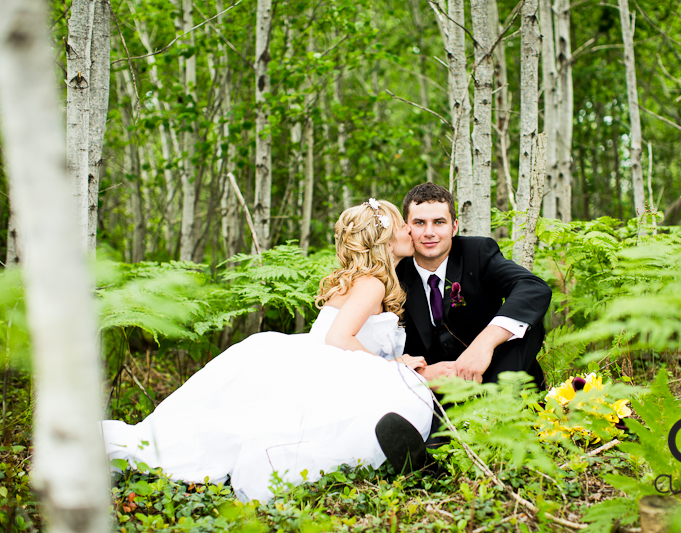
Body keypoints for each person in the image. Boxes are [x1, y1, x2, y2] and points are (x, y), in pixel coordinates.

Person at [102, 200, 435, 502]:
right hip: (328, 366)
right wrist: (389, 366)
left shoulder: (361, 280)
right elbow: (338, 339)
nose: (410, 228)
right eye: (402, 224)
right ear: (385, 238)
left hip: (309, 360)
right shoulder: (372, 284)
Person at [374, 183, 552, 468]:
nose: (429, 232)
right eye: (419, 223)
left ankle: (484, 419)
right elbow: (379, 346)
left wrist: (485, 344)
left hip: (497, 376)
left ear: (454, 226)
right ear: (407, 228)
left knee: (528, 325)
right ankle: (428, 457)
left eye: (439, 222)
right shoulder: (394, 274)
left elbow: (533, 288)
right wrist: (420, 374)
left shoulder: (478, 253)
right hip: (440, 389)